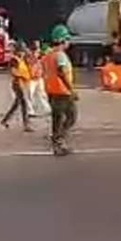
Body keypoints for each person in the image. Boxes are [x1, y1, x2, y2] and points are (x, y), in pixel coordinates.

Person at [42, 26, 78, 156]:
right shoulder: (60, 55)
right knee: (71, 117)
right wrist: (71, 89)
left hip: (51, 91)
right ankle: (59, 140)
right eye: (67, 40)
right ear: (63, 40)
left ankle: (57, 142)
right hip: (62, 92)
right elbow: (62, 72)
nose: (69, 43)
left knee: (57, 119)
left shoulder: (48, 55)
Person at [0, 41, 33, 131]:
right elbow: (13, 72)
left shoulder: (21, 60)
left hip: (22, 84)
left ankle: (5, 120)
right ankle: (26, 125)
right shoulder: (14, 60)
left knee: (17, 104)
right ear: (18, 51)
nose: (23, 53)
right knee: (24, 103)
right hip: (18, 84)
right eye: (22, 51)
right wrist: (23, 76)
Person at [26, 40, 51, 117]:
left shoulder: (41, 54)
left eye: (38, 45)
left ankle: (47, 109)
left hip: (39, 77)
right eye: (35, 45)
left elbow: (44, 63)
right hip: (30, 78)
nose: (37, 47)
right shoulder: (28, 54)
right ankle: (30, 111)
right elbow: (30, 62)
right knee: (30, 95)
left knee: (42, 93)